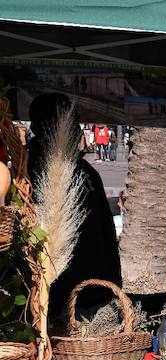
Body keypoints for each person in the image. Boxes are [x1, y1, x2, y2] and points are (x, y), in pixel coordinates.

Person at [27, 94, 122, 318]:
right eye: (70, 123)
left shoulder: (87, 173)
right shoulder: (30, 172)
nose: (76, 130)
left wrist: (113, 282)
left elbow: (105, 232)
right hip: (49, 296)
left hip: (90, 294)